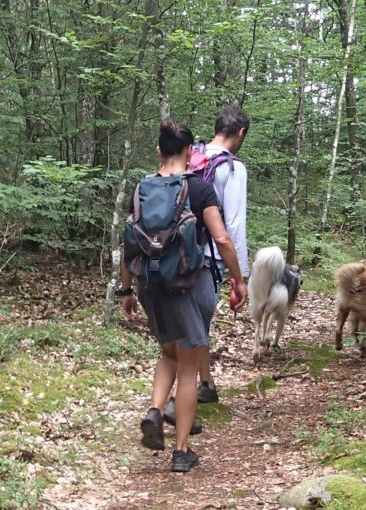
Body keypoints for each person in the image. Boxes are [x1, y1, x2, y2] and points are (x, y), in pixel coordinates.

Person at [120, 119, 248, 472]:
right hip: (191, 284)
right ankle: (181, 451)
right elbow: (222, 240)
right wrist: (239, 281)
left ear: (159, 150)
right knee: (189, 367)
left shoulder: (141, 189)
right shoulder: (199, 189)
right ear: (191, 152)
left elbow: (129, 244)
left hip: (151, 284)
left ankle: (155, 410)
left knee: (168, 353)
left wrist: (126, 289)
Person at [196, 107, 250, 403]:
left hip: (170, 252)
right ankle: (183, 398)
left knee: (189, 325)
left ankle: (205, 382)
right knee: (197, 325)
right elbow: (233, 226)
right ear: (240, 133)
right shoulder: (232, 168)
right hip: (207, 257)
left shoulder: (191, 155)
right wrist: (239, 275)